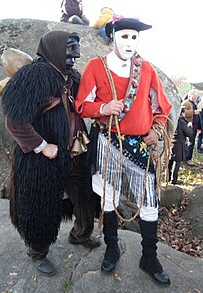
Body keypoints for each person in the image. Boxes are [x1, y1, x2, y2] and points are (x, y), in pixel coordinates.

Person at [75, 18, 172, 285]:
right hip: (107, 141)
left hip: (140, 144)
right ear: (113, 37)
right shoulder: (96, 67)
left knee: (150, 201)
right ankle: (112, 248)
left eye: (134, 37)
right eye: (124, 36)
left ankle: (149, 257)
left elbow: (162, 107)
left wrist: (156, 128)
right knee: (108, 198)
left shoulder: (147, 70)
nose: (130, 42)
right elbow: (82, 104)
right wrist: (103, 109)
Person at [1, 30, 101, 277]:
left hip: (75, 153)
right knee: (40, 205)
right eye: (69, 50)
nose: (74, 56)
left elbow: (86, 105)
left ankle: (81, 234)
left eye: (75, 50)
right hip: (40, 159)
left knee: (86, 198)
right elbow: (14, 121)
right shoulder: (33, 77)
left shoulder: (73, 78)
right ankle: (37, 252)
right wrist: (42, 146)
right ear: (55, 48)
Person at [168, 108, 193, 184]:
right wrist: (189, 127)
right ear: (182, 113)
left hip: (171, 142)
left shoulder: (171, 119)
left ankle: (167, 177)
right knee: (177, 161)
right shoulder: (181, 122)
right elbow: (189, 133)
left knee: (170, 160)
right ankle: (173, 180)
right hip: (179, 144)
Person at [181, 89, 201, 165]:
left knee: (191, 143)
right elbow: (183, 113)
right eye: (193, 96)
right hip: (188, 126)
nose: (195, 98)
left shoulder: (194, 103)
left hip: (194, 127)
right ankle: (187, 158)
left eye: (195, 97)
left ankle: (187, 157)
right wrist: (193, 112)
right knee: (189, 142)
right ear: (189, 95)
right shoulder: (185, 103)